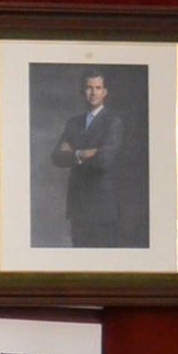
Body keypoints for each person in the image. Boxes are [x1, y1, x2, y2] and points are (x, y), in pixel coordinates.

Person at [51, 69, 124, 248]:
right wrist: (83, 153)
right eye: (89, 87)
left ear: (105, 92)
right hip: (78, 205)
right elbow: (57, 157)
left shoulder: (113, 122)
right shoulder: (73, 123)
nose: (93, 92)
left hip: (102, 206)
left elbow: (104, 159)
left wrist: (74, 153)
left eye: (98, 88)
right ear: (82, 91)